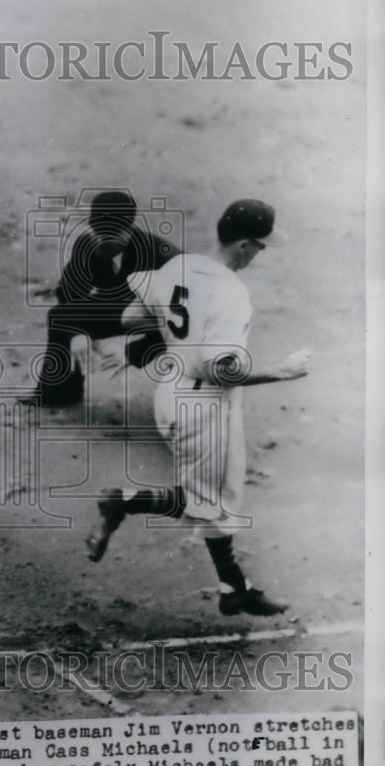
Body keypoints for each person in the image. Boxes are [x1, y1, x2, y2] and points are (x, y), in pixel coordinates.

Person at [84, 200, 310, 617]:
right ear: (243, 245)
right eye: (259, 247)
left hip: (170, 395)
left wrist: (172, 336)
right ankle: (122, 500)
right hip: (204, 406)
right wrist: (281, 372)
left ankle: (234, 588)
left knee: (217, 500)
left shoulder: (177, 268)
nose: (259, 254)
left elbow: (134, 315)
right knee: (209, 502)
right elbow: (219, 367)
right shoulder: (232, 294)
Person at [28, 191, 181, 406]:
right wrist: (78, 332)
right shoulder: (87, 243)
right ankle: (57, 396)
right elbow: (68, 293)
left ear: (127, 231)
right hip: (119, 308)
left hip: (161, 317)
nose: (98, 240)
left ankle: (182, 404)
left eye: (107, 234)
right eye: (96, 231)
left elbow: (182, 321)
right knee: (59, 316)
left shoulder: (162, 257)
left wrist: (133, 354)